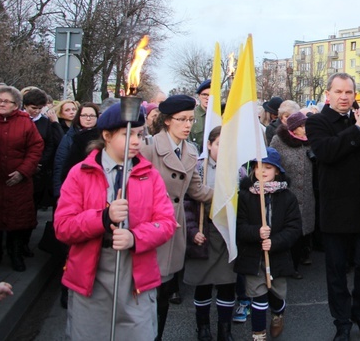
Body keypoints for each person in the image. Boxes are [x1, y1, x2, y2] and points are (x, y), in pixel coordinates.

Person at [54, 102, 176, 340]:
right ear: (106, 136)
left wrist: (135, 236)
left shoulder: (149, 176)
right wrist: (102, 217)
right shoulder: (81, 173)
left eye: (140, 135)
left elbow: (166, 222)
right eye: (127, 135)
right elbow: (63, 227)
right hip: (92, 279)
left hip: (135, 280)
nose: (136, 141)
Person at [305, 73, 360, 341]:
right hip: (335, 209)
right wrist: (357, 130)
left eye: (349, 92)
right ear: (328, 94)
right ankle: (342, 323)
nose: (345, 97)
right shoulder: (317, 122)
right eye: (339, 92)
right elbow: (327, 151)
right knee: (336, 271)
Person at [141, 94, 214, 340]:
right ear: (167, 121)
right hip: (149, 227)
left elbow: (196, 190)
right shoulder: (148, 147)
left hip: (175, 229)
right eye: (181, 119)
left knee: (164, 292)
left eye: (191, 120)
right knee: (146, 291)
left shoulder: (190, 150)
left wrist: (229, 197)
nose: (187, 125)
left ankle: (157, 335)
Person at [235, 147, 302, 341]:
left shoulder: (287, 197)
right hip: (253, 256)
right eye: (258, 167)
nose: (262, 171)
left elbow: (293, 228)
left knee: (276, 295)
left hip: (278, 256)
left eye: (268, 167)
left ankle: (278, 313)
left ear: (277, 171)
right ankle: (258, 334)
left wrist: (275, 242)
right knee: (258, 297)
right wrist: (256, 232)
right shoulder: (246, 195)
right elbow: (239, 226)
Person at [184, 126, 237, 341]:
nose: (223, 149)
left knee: (226, 284)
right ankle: (203, 327)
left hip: (225, 234)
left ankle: (225, 329)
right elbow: (186, 205)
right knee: (203, 284)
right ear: (209, 144)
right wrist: (192, 230)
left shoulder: (238, 170)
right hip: (202, 232)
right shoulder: (196, 169)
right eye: (218, 144)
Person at [0, 86, 44, 271]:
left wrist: (23, 171)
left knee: (17, 221)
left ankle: (16, 254)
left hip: (18, 182)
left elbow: (36, 148)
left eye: (6, 101)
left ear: (16, 105)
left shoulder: (25, 122)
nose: (2, 104)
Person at [270, 111, 315, 280]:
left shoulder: (309, 142)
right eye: (302, 126)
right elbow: (272, 163)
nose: (305, 129)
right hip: (287, 192)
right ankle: (287, 265)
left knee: (302, 229)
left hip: (307, 193)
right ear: (294, 128)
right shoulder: (279, 140)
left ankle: (298, 262)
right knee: (287, 229)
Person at [53, 102, 101, 199]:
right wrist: (58, 191)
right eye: (84, 115)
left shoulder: (102, 137)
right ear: (79, 117)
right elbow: (60, 163)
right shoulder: (69, 137)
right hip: (72, 183)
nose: (88, 118)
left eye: (92, 115)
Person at [190, 80, 211, 150]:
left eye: (211, 95)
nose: (208, 98)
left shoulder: (222, 115)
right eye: (205, 95)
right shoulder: (191, 115)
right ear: (199, 96)